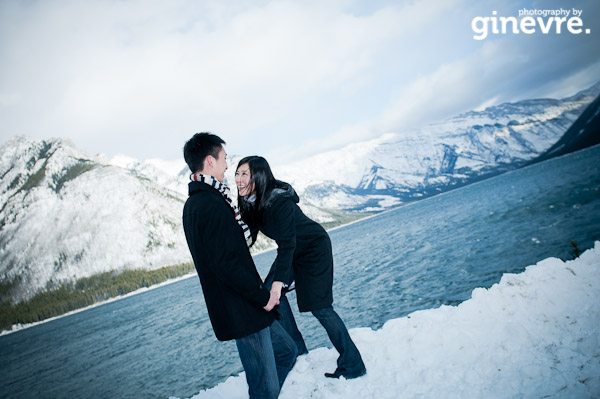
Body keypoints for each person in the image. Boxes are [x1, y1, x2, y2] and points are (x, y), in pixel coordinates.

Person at [182, 133, 297, 399]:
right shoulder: (208, 205)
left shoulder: (204, 202)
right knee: (265, 388)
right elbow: (226, 265)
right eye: (223, 159)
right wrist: (263, 298)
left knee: (286, 351)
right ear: (210, 161)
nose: (226, 166)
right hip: (243, 309)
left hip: (247, 305)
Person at [235, 156, 367, 380]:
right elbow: (251, 236)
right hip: (292, 250)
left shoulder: (279, 202)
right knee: (270, 294)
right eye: (236, 174)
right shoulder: (250, 202)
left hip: (313, 248)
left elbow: (287, 244)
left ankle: (352, 363)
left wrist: (279, 285)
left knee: (320, 308)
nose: (238, 179)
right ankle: (297, 350)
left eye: (244, 174)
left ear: (258, 176)